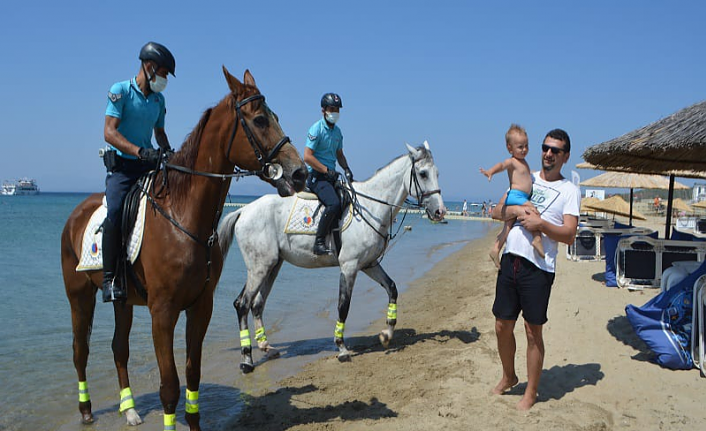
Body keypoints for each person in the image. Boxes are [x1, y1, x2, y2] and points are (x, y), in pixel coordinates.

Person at [489, 128, 580, 410]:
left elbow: (569, 235)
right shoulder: (526, 175)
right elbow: (496, 211)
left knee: (532, 332)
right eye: (545, 148)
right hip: (510, 260)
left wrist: (541, 226)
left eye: (555, 151)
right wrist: (516, 212)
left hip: (539, 269)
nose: (548, 154)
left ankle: (531, 391)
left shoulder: (570, 190)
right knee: (502, 325)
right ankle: (508, 375)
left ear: (565, 156)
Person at [101, 41, 176, 302]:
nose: (165, 79)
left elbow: (160, 133)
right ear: (149, 67)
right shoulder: (120, 91)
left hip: (148, 167)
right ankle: (109, 279)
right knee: (115, 211)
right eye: (164, 73)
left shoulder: (159, 99)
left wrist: (167, 151)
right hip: (123, 168)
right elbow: (109, 132)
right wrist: (139, 151)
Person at [480, 124, 544, 269]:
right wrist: (490, 172)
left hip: (518, 197)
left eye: (526, 146)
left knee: (507, 227)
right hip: (517, 196)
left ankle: (496, 249)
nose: (524, 150)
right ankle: (537, 238)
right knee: (533, 212)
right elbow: (501, 165)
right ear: (510, 148)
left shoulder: (524, 163)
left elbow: (526, 175)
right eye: (520, 147)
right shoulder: (512, 161)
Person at [304, 92, 354, 255]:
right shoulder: (316, 129)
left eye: (337, 110)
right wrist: (326, 170)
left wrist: (346, 168)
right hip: (317, 177)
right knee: (333, 203)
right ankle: (318, 243)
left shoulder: (338, 132)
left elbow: (339, 155)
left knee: (347, 200)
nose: (335, 113)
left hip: (331, 176)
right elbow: (307, 156)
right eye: (332, 109)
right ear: (323, 110)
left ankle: (337, 242)